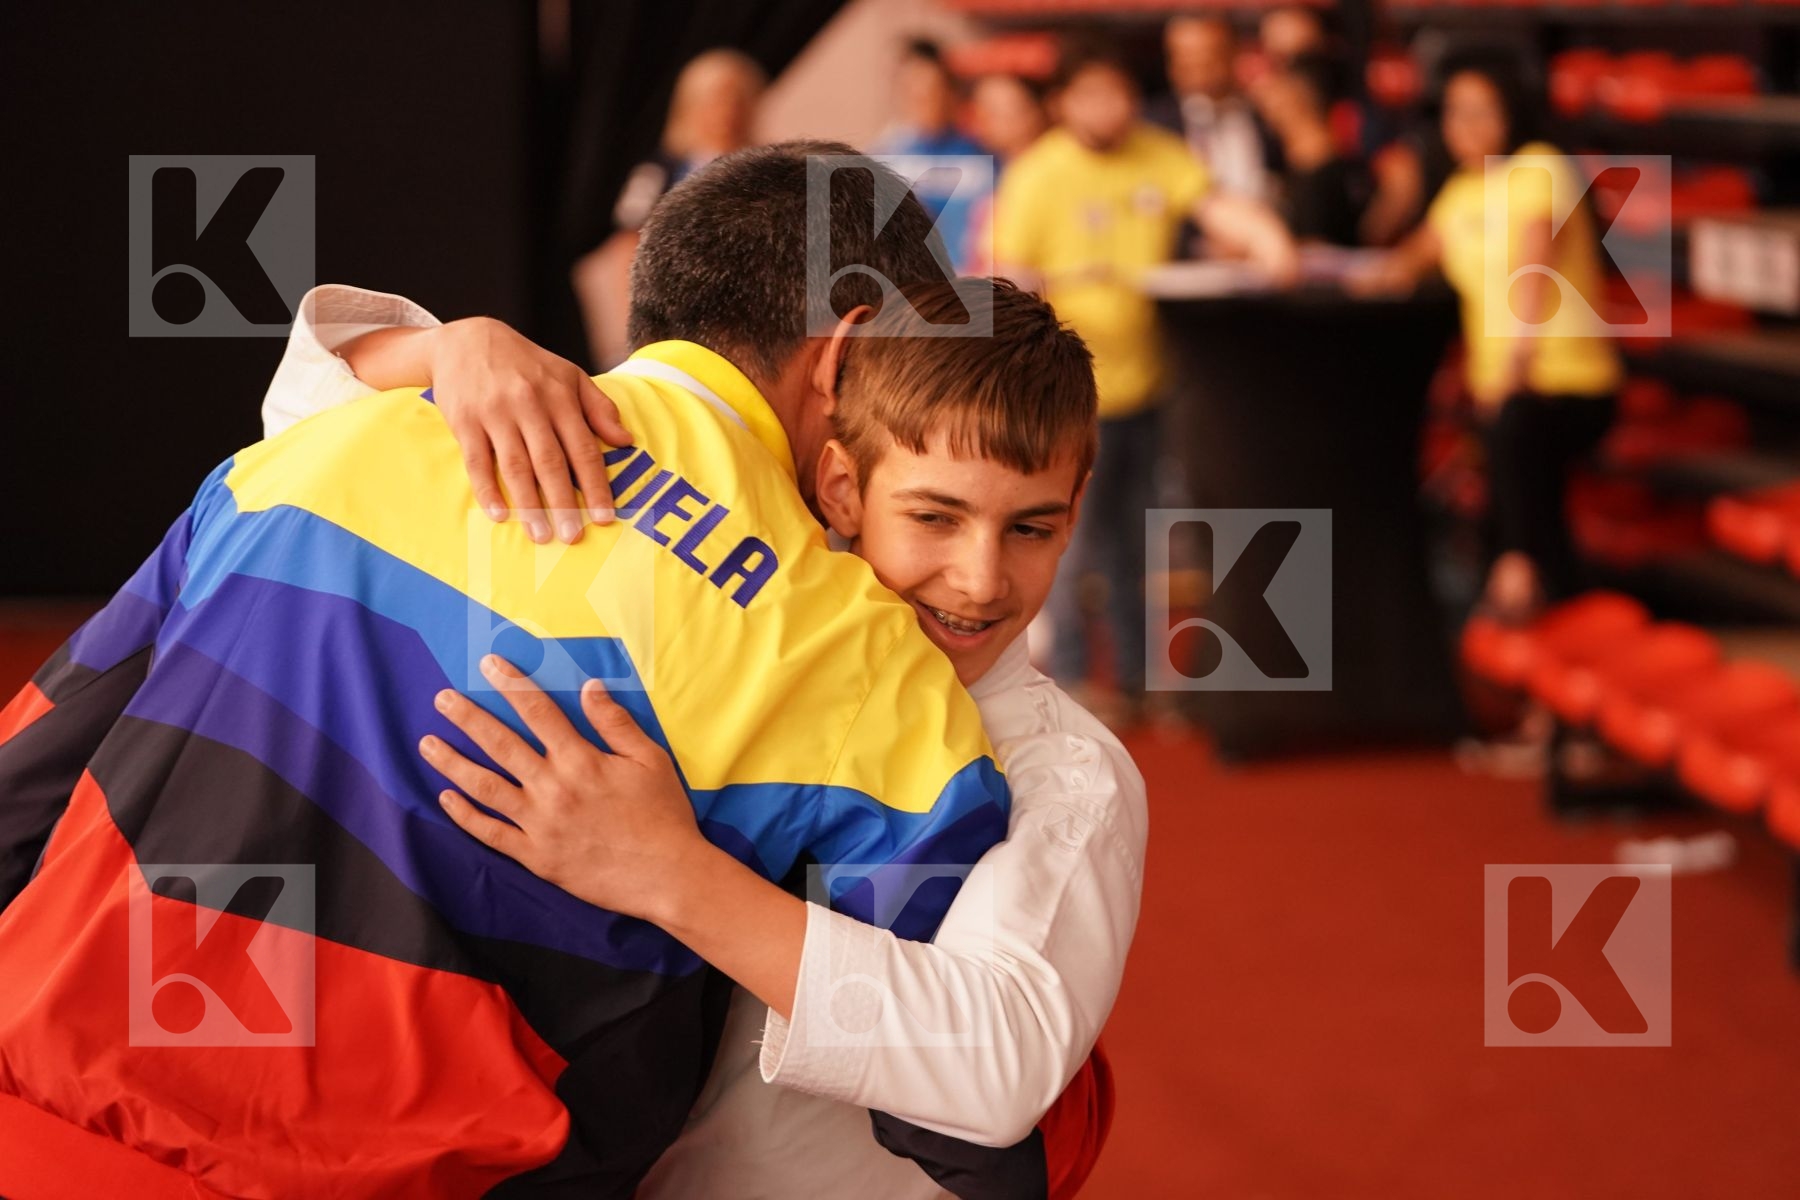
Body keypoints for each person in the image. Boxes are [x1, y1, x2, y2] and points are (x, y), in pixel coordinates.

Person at [0, 142, 1013, 1198]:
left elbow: (30, 775)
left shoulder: (311, 453)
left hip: (38, 1131)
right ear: (848, 359)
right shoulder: (863, 658)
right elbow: (955, 1088)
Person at [277, 278, 1147, 1199]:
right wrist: (456, 349)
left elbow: (994, 1068)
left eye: (1031, 529)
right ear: (843, 487)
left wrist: (666, 872)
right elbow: (309, 432)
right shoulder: (726, 608)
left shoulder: (1066, 776)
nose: (978, 579)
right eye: (935, 517)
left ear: (1077, 512)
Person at [993, 34, 1298, 724]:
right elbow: (1009, 281)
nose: (1109, 107)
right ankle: (1070, 676)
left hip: (1153, 383)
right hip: (1067, 394)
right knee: (1067, 539)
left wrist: (1269, 241)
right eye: (1092, 94)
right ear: (1062, 101)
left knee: (1138, 537)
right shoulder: (1036, 174)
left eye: (1120, 93)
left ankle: (1135, 678)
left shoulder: (1160, 157)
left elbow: (1222, 209)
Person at [1353, 50, 1621, 617]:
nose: (1465, 126)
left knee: (1521, 477)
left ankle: (1523, 581)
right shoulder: (1460, 190)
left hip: (1563, 382)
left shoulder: (1540, 167)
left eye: (1480, 111)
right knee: (1519, 495)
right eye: (1454, 113)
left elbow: (1534, 264)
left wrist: (1516, 363)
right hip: (1499, 395)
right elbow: (1407, 258)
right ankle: (1537, 629)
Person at [576, 48, 766, 367]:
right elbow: (627, 247)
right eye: (714, 100)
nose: (725, 111)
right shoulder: (657, 174)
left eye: (736, 99)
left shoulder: (771, 171)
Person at [876, 38, 988, 274]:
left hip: (969, 283)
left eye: (932, 90)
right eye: (912, 91)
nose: (923, 99)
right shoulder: (883, 159)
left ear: (950, 91)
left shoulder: (982, 155)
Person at [1148, 14, 1269, 203]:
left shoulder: (1265, 114)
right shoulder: (1152, 125)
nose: (1199, 67)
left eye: (1210, 55)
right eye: (1186, 57)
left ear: (1234, 54)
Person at [1254, 52, 1370, 247]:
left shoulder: (1321, 173)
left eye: (1276, 90)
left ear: (1294, 100)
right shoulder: (1296, 167)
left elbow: (1319, 249)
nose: (1266, 103)